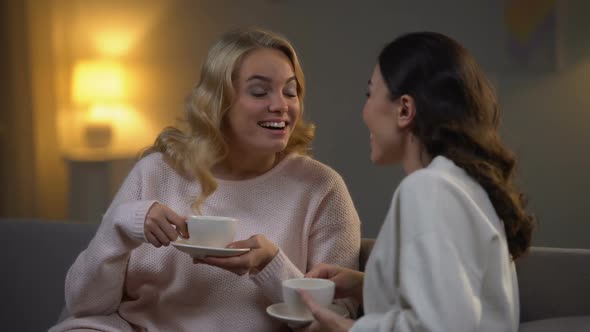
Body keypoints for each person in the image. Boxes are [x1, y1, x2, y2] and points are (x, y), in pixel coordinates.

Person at [50, 28, 360, 332]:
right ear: (219, 102)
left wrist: (270, 265)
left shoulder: (321, 188)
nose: (281, 105)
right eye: (259, 91)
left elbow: (335, 322)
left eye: (290, 91)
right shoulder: (156, 172)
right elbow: (84, 305)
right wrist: (119, 228)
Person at [298, 31, 536, 332]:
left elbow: (442, 325)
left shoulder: (428, 189)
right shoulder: (466, 185)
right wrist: (365, 285)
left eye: (370, 93)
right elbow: (454, 297)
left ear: (405, 110)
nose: (365, 111)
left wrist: (346, 329)